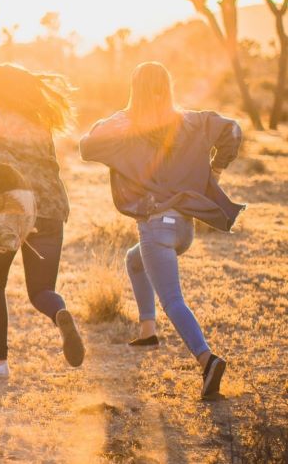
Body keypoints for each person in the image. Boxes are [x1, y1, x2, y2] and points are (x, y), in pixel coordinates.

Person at [80, 61, 244, 399]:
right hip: (184, 227)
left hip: (155, 226)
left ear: (134, 91)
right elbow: (233, 130)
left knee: (172, 299)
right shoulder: (191, 119)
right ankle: (148, 329)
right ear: (167, 87)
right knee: (134, 260)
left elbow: (87, 144)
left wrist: (119, 115)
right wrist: (216, 170)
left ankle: (207, 360)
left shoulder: (126, 125)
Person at [0, 64, 85, 378]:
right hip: (50, 209)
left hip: (9, 210)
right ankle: (59, 311)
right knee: (41, 290)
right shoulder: (40, 122)